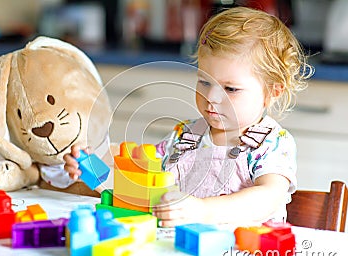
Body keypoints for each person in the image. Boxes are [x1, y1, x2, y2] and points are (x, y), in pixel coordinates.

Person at [63, 6, 313, 227]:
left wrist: (203, 211)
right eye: (204, 82)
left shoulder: (271, 143)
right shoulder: (186, 135)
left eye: (230, 89)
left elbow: (268, 196)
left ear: (272, 92)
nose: (212, 97)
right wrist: (93, 161)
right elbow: (141, 167)